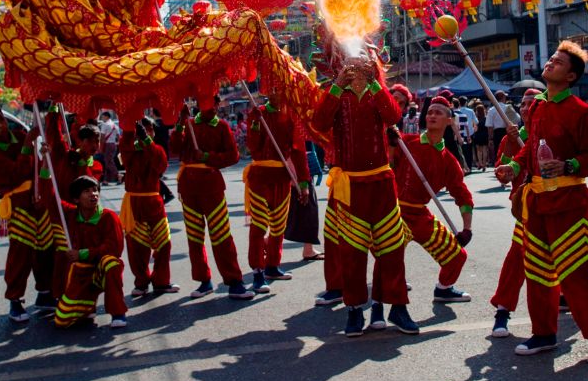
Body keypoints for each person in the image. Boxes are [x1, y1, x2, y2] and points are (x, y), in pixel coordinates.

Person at [497, 42, 588, 366]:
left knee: (580, 269)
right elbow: (529, 147)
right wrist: (515, 167)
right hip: (536, 204)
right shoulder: (537, 108)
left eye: (558, 62)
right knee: (537, 272)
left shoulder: (581, 111)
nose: (550, 63)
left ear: (571, 75)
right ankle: (544, 333)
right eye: (551, 59)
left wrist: (568, 166)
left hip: (569, 203)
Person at [311, 53, 415, 336]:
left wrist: (375, 84)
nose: (355, 67)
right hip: (351, 187)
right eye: (349, 63)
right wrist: (336, 86)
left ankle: (397, 307)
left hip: (381, 182)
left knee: (392, 249)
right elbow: (318, 124)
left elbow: (394, 116)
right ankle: (355, 309)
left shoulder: (375, 92)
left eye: (361, 63)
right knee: (353, 252)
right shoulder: (335, 95)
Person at [0, 104, 60, 323]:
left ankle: (45, 292)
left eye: (0, 120)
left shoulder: (19, 134)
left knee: (46, 247)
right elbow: (16, 174)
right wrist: (27, 145)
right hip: (17, 204)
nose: (0, 126)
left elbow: (35, 167)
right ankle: (15, 299)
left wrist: (41, 181)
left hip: (37, 198)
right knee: (20, 252)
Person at [391, 97, 474, 305]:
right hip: (394, 212)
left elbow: (462, 196)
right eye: (430, 112)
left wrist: (467, 229)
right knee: (390, 254)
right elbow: (387, 160)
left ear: (449, 120)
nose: (432, 115)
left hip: (420, 215)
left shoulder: (449, 161)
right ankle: (389, 286)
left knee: (457, 256)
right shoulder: (406, 142)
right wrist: (391, 143)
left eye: (438, 112)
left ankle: (444, 289)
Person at [170, 97, 254, 300]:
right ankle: (203, 281)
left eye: (216, 104)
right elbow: (174, 150)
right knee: (195, 237)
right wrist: (180, 122)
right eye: (211, 103)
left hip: (212, 187)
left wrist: (207, 157)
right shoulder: (188, 124)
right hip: (189, 187)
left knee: (222, 235)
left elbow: (233, 156)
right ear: (201, 104)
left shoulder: (223, 126)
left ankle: (234, 281)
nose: (214, 107)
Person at [244, 91, 310, 293]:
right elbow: (252, 147)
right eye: (271, 89)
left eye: (278, 89)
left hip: (282, 177)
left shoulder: (290, 116)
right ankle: (257, 270)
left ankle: (272, 265)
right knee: (259, 226)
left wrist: (304, 182)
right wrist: (255, 123)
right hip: (260, 178)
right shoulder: (258, 113)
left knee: (279, 225)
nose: (275, 94)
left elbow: (298, 151)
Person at [489, 89, 538, 338]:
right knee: (517, 258)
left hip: (554, 207)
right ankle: (503, 309)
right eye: (525, 105)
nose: (528, 109)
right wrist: (510, 143)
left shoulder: (552, 133)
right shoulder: (513, 136)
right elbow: (502, 171)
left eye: (533, 104)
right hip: (526, 209)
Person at [54, 175, 128, 329]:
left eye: (95, 190)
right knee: (62, 320)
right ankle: (87, 307)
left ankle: (118, 313)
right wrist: (45, 170)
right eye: (87, 191)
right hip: (81, 274)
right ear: (76, 199)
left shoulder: (108, 217)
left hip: (101, 271)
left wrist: (82, 253)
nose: (93, 194)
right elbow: (51, 198)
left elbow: (114, 248)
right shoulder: (71, 214)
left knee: (112, 263)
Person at [119, 118, 179, 296]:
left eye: (151, 129)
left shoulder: (156, 149)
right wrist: (130, 132)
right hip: (134, 202)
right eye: (144, 130)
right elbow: (125, 152)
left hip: (154, 202)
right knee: (136, 246)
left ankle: (161, 281)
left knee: (163, 243)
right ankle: (141, 282)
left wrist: (146, 140)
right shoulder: (129, 149)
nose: (148, 132)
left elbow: (160, 165)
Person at [98, 112, 121, 185]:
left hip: (107, 145)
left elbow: (102, 137)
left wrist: (100, 147)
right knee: (107, 162)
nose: (102, 118)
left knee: (109, 162)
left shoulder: (105, 125)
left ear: (107, 117)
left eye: (103, 116)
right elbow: (118, 136)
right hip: (113, 144)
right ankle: (105, 180)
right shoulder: (114, 125)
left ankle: (118, 175)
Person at [472, 104, 490, 171]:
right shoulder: (486, 118)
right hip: (485, 134)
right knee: (485, 150)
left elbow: (475, 128)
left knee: (479, 150)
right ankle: (484, 165)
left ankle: (480, 163)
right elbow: (488, 127)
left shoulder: (476, 119)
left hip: (478, 135)